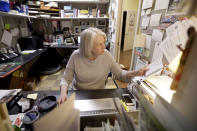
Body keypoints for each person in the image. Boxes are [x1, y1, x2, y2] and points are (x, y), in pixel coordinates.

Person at [58, 27, 148, 104]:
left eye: (104, 43)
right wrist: (63, 94)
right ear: (88, 46)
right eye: (100, 44)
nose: (104, 47)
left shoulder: (106, 55)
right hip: (79, 94)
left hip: (99, 94)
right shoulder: (75, 56)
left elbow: (120, 74)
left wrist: (137, 72)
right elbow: (66, 79)